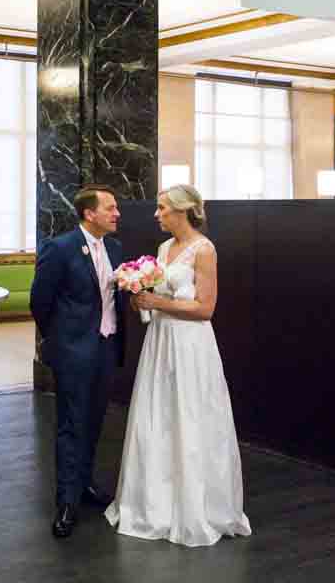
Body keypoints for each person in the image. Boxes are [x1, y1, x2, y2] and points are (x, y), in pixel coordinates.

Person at [105, 184, 251, 547]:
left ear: (183, 211)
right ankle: (156, 503)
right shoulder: (164, 249)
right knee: (160, 416)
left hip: (191, 344)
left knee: (190, 415)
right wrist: (145, 302)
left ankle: (196, 507)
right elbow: (165, 298)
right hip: (161, 342)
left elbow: (205, 308)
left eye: (162, 208)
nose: (156, 214)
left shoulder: (204, 250)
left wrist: (158, 301)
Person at [30, 184, 125, 538]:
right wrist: (61, 340)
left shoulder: (115, 248)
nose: (117, 214)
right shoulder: (61, 248)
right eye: (111, 207)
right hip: (73, 351)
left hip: (105, 348)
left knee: (95, 421)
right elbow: (41, 301)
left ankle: (84, 485)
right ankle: (66, 501)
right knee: (71, 424)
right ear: (90, 214)